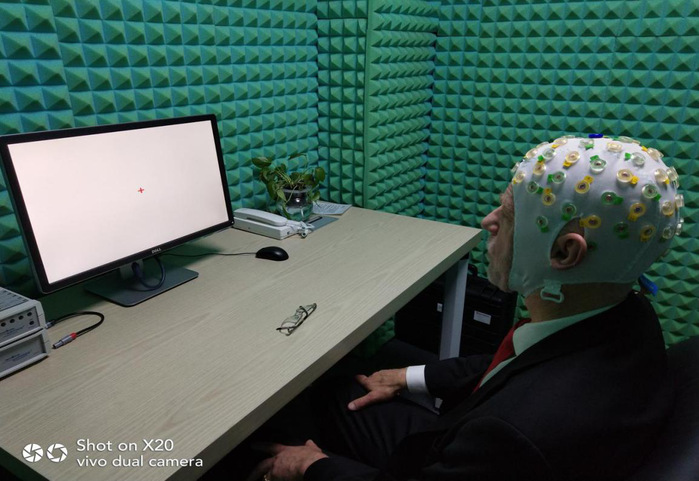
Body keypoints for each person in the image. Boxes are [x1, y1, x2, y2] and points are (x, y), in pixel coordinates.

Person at [249, 135, 683, 481]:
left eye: (508, 215)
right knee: (337, 391)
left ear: (565, 253)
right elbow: (515, 363)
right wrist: (407, 377)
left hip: (455, 453)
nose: (488, 222)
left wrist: (312, 466)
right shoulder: (626, 312)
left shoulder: (518, 432)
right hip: (468, 436)